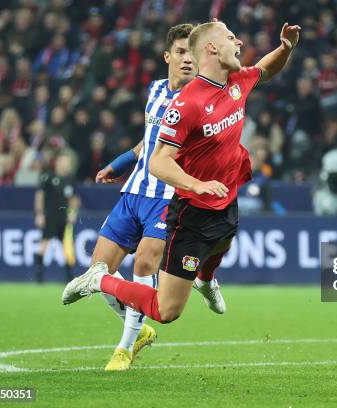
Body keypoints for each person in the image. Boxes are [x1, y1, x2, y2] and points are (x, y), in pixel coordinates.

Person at [62, 21, 300, 335]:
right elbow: (158, 162)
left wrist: (285, 48)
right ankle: (99, 279)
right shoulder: (187, 104)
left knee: (223, 241)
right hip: (191, 211)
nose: (239, 42)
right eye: (231, 38)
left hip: (223, 197)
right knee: (166, 310)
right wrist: (197, 184)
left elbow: (265, 69)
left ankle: (205, 278)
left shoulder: (236, 81)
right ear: (212, 49)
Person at [75, 24, 218, 372]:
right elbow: (147, 144)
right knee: (99, 271)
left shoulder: (202, 99)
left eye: (193, 53)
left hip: (168, 196)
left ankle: (124, 348)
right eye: (181, 52)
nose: (188, 59)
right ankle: (138, 327)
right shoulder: (154, 91)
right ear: (168, 56)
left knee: (143, 263)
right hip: (133, 192)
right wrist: (120, 163)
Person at [34, 153, 80, 283]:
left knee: (68, 246)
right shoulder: (48, 177)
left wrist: (73, 213)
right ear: (58, 162)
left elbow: (74, 199)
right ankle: (39, 276)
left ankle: (69, 277)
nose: (66, 165)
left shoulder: (70, 180)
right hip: (50, 217)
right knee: (44, 244)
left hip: (64, 219)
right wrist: (39, 214)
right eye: (64, 162)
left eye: (68, 163)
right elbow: (39, 196)